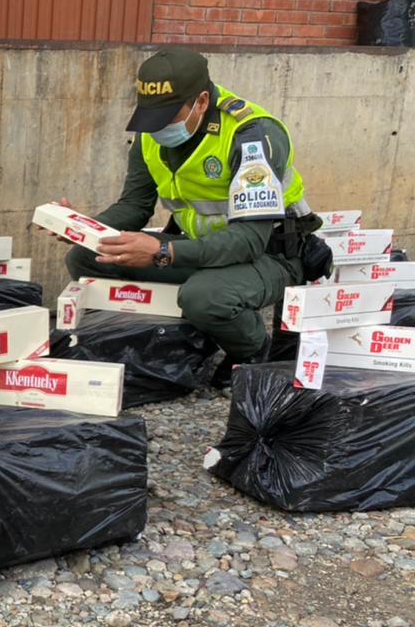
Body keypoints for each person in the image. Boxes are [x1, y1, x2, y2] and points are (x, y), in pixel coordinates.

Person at [58, 47, 328, 386]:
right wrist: (82, 227)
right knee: (88, 256)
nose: (157, 128)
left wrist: (162, 252)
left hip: (270, 255)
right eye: (151, 116)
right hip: (202, 249)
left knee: (204, 297)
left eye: (168, 116)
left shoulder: (251, 135)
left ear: (201, 101)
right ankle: (149, 339)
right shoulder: (150, 133)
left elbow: (248, 241)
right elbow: (134, 206)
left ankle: (253, 350)